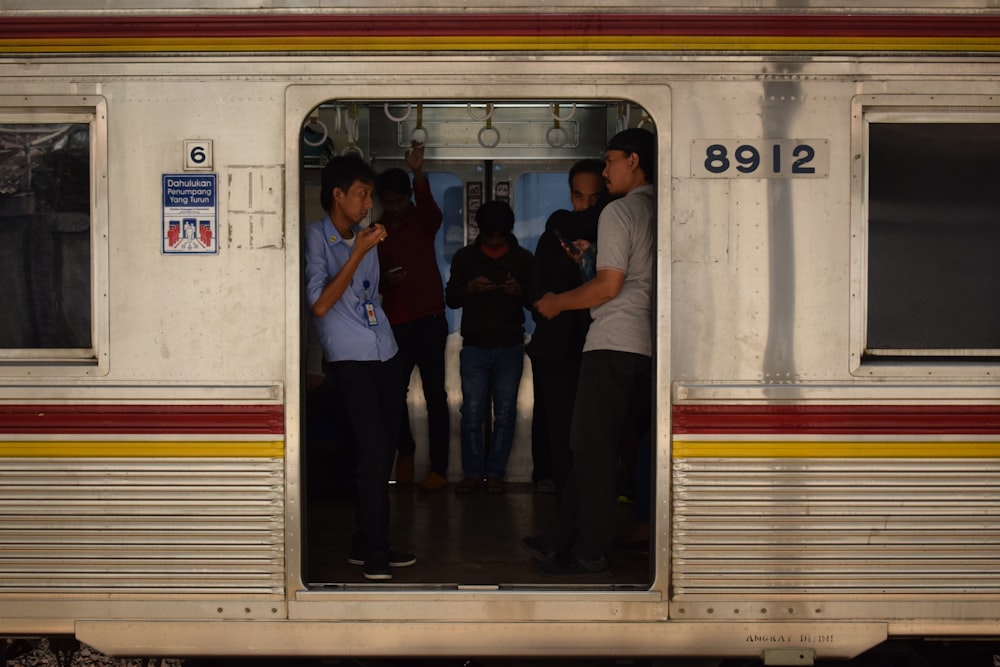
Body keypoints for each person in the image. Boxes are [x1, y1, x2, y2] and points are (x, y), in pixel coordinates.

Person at [524, 127, 656, 578]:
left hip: (613, 342)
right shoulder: (660, 207)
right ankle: (565, 539)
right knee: (607, 448)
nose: (606, 171)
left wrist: (557, 302)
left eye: (610, 161)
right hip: (649, 347)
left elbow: (609, 285)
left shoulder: (619, 212)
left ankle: (589, 555)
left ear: (633, 162)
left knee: (591, 451)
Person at [304, 154, 416, 581]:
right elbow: (320, 303)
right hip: (349, 358)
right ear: (337, 194)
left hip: (384, 351)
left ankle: (366, 541)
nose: (368, 203)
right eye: (362, 194)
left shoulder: (364, 237)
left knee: (384, 449)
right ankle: (373, 551)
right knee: (370, 452)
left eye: (370, 195)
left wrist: (366, 250)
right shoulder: (317, 237)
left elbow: (369, 297)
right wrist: (359, 251)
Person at [527, 159, 607, 498]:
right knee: (555, 424)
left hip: (597, 346)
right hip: (557, 348)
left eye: (594, 199)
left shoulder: (613, 228)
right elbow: (534, 292)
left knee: (591, 430)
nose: (585, 206)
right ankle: (560, 488)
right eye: (578, 196)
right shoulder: (553, 236)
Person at [375, 143, 451, 493]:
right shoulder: (376, 232)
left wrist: (419, 173)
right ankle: (404, 449)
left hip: (431, 318)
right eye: (387, 203)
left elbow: (432, 209)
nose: (393, 208)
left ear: (408, 197)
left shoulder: (423, 220)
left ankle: (439, 468)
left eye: (399, 201)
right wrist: (384, 279)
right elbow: (366, 278)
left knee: (436, 395)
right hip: (396, 320)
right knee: (393, 393)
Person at [445, 200, 533, 495]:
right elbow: (452, 298)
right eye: (490, 235)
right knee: (471, 411)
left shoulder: (523, 259)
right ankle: (472, 473)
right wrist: (470, 287)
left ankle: (495, 473)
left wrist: (518, 291)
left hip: (510, 343)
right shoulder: (465, 258)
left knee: (505, 413)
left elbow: (537, 299)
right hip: (474, 345)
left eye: (499, 235)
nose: (495, 241)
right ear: (480, 231)